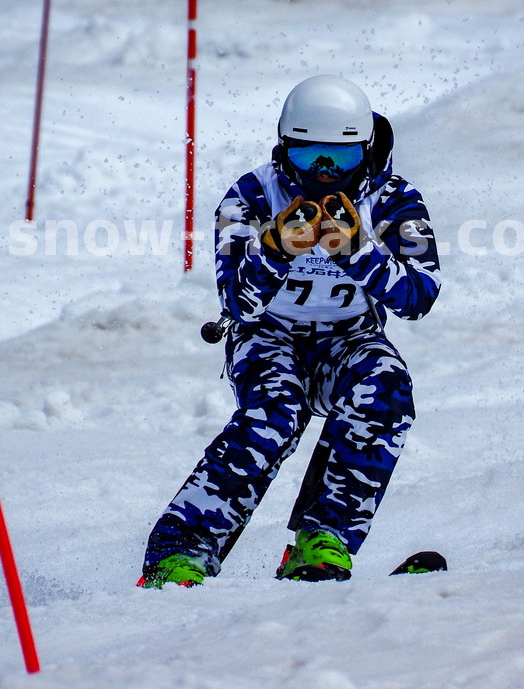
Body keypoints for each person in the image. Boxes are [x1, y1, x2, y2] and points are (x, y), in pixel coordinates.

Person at [140, 74, 441, 586]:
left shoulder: (394, 200)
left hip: (351, 336)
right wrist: (276, 248)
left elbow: (420, 296)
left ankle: (323, 540)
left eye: (340, 159)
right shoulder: (252, 195)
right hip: (269, 336)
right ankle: (182, 548)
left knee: (386, 388)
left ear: (366, 151)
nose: (324, 174)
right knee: (275, 412)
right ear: (284, 147)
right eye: (308, 157)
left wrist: (358, 252)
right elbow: (237, 301)